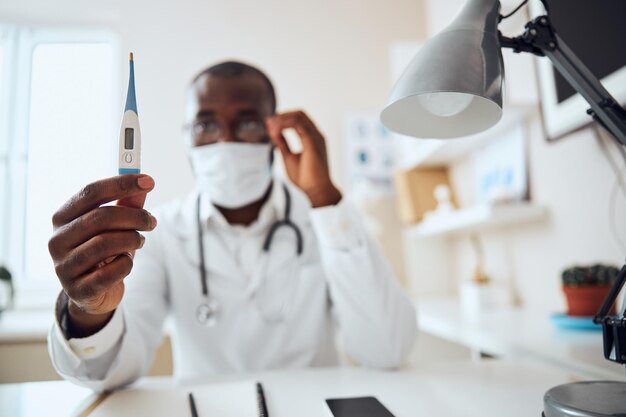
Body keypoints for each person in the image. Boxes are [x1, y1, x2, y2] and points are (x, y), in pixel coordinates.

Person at [47, 61, 417, 391]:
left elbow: (387, 350)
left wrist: (327, 202)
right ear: (187, 136)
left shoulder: (323, 219)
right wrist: (89, 312)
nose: (225, 140)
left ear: (275, 134)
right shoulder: (159, 231)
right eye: (206, 124)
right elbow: (116, 370)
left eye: (248, 122)